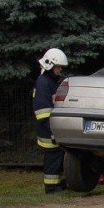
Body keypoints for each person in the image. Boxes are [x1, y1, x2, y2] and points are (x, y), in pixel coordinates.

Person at [33, 48, 69, 194]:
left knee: (57, 157)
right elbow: (43, 113)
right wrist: (53, 131)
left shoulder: (49, 81)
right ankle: (51, 187)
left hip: (51, 128)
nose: (60, 69)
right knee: (53, 159)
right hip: (48, 130)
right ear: (49, 65)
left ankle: (59, 184)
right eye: (58, 67)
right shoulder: (43, 83)